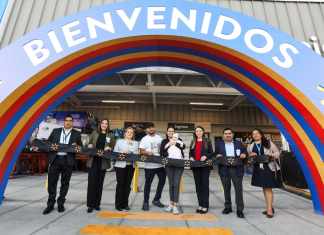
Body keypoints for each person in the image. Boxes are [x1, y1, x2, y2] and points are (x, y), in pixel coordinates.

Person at [43, 115, 82, 215]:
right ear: (63, 122)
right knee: (52, 183)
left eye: (70, 121)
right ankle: (50, 204)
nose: (68, 122)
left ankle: (61, 203)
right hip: (55, 160)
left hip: (67, 161)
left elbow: (80, 147)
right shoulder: (56, 131)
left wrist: (76, 146)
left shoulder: (77, 134)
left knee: (65, 183)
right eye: (66, 120)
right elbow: (48, 143)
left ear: (72, 123)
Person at [247, 129, 282, 218]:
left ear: (261, 134)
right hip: (258, 169)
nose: (255, 135)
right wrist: (251, 155)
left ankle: (269, 210)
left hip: (268, 168)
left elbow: (278, 153)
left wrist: (271, 155)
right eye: (253, 134)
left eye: (257, 133)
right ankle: (269, 207)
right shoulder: (250, 146)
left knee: (268, 188)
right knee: (264, 188)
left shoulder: (268, 143)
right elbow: (249, 158)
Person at [215, 128, 247, 218]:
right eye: (226, 133)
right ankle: (228, 207)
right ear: (223, 135)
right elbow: (215, 155)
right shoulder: (219, 144)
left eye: (229, 133)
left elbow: (245, 153)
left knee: (238, 190)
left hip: (236, 169)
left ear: (232, 135)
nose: (228, 135)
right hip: (224, 169)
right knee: (226, 189)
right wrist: (217, 156)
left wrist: (244, 155)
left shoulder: (239, 143)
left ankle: (240, 210)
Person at [86, 119, 115, 213]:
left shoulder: (110, 135)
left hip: (103, 162)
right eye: (103, 123)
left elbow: (113, 147)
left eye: (106, 123)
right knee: (91, 183)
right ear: (100, 124)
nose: (104, 125)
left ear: (108, 125)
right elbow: (88, 143)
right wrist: (90, 145)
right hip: (93, 161)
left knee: (99, 184)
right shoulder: (94, 133)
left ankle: (97, 204)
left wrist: (109, 147)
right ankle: (90, 205)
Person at [139, 122, 166, 211]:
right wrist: (147, 152)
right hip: (149, 166)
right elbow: (141, 151)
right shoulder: (144, 139)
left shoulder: (159, 138)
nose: (151, 129)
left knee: (162, 181)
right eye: (149, 128)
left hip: (160, 165)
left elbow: (163, 149)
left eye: (152, 127)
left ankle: (156, 200)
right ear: (146, 130)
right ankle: (145, 202)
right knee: (148, 184)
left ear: (154, 128)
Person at [160, 127, 185, 214]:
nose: (171, 132)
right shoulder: (164, 141)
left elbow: (183, 147)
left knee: (176, 183)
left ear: (175, 133)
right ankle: (171, 204)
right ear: (167, 132)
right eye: (169, 131)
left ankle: (175, 205)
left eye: (172, 131)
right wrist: (169, 144)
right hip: (169, 165)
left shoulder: (179, 139)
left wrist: (175, 142)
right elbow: (162, 153)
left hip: (179, 164)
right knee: (171, 184)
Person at [113, 127, 139, 211]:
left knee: (127, 186)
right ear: (125, 133)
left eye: (131, 133)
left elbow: (136, 154)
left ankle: (125, 204)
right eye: (128, 132)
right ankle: (118, 205)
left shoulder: (135, 143)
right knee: (120, 185)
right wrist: (122, 152)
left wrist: (130, 151)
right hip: (120, 166)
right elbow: (115, 153)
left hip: (131, 166)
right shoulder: (119, 141)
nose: (129, 134)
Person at [189, 126, 213, 214]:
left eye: (200, 131)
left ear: (203, 132)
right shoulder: (193, 141)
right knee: (198, 186)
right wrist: (191, 157)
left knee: (205, 186)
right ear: (195, 133)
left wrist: (206, 156)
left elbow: (211, 153)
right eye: (197, 131)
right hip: (196, 166)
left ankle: (205, 205)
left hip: (205, 166)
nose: (198, 132)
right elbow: (190, 153)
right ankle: (200, 204)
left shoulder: (207, 141)